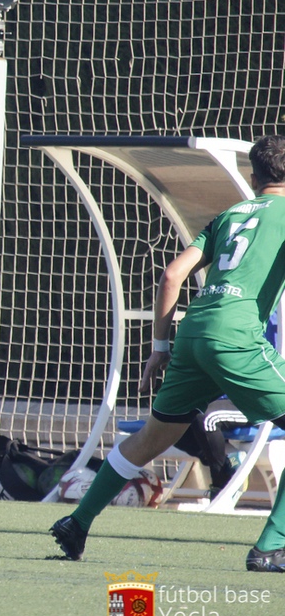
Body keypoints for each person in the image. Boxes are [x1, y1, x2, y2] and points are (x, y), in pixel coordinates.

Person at [50, 134, 285, 573]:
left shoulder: (231, 214)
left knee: (151, 439)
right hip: (235, 337)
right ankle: (270, 547)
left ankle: (76, 522)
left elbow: (172, 275)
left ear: (254, 179)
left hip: (194, 332)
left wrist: (159, 348)